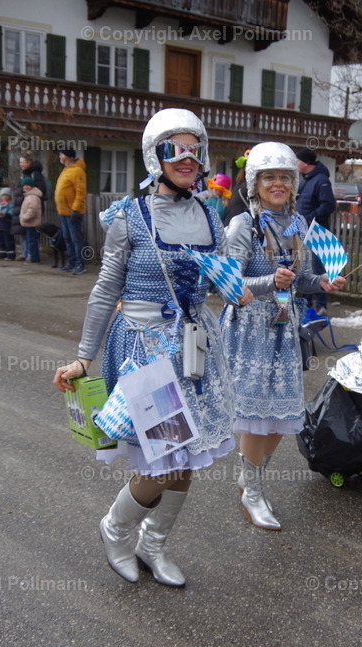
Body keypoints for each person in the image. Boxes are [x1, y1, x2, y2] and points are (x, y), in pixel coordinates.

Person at [52, 108, 239, 587]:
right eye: (175, 149)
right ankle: (115, 528)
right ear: (156, 156)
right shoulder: (129, 216)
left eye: (194, 149)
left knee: (186, 457)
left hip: (196, 349)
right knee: (163, 459)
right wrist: (83, 356)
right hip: (146, 349)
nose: (187, 158)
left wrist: (256, 287)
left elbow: (228, 281)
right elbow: (105, 290)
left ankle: (153, 544)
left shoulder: (211, 216)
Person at [219, 142, 346, 530]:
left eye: (285, 178)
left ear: (294, 183)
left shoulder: (297, 224)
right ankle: (253, 492)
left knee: (279, 417)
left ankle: (250, 480)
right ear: (254, 184)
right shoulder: (242, 225)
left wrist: (321, 282)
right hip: (249, 329)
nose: (278, 184)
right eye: (269, 177)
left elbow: (299, 279)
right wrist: (268, 281)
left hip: (284, 327)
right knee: (256, 417)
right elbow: (229, 284)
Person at [295, 147, 337, 312]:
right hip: (303, 230)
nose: (295, 163)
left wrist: (310, 218)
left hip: (317, 230)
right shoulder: (305, 180)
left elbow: (328, 205)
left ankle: (320, 304)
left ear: (306, 163)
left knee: (317, 267)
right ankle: (306, 303)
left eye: (298, 160)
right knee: (306, 267)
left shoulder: (321, 180)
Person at [55, 148, 87, 274]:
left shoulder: (77, 171)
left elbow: (80, 192)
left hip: (73, 212)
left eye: (61, 154)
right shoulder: (66, 170)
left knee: (76, 239)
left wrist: (75, 208)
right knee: (67, 238)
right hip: (63, 211)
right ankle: (71, 262)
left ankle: (80, 264)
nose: (59, 156)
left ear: (68, 157)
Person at [12, 152, 48, 264]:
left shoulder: (35, 174)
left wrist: (29, 196)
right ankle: (25, 253)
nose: (20, 164)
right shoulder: (25, 174)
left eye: (22, 162)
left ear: (29, 163)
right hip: (23, 205)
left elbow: (41, 190)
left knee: (30, 234)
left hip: (30, 206)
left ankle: (31, 255)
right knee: (23, 231)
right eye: (20, 162)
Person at [18, 176, 44, 258]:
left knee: (32, 241)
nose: (25, 187)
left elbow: (32, 210)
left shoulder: (32, 197)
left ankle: (33, 258)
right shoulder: (28, 196)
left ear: (32, 186)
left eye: (27, 185)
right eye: (24, 185)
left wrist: (24, 217)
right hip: (29, 223)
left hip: (31, 223)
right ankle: (31, 256)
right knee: (30, 240)